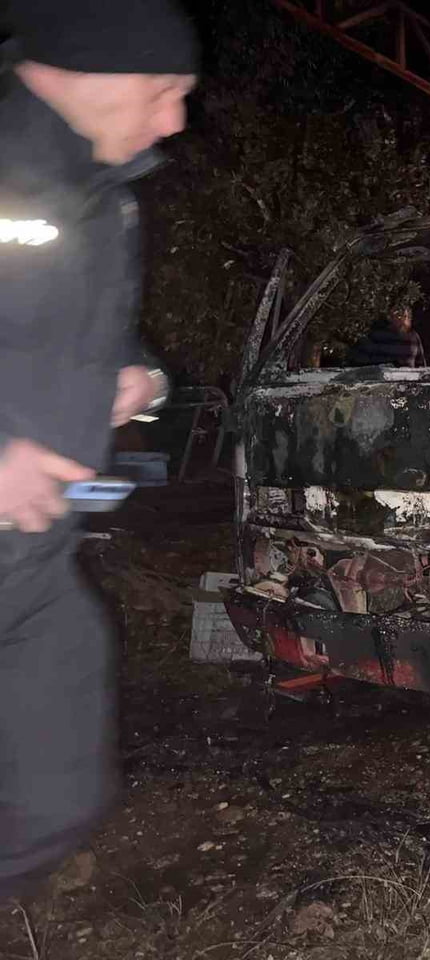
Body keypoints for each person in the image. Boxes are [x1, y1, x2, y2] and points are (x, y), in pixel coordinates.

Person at [0, 0, 197, 899]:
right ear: (78, 69)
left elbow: (94, 335)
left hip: (35, 558)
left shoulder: (106, 199)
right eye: (161, 92)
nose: (176, 119)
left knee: (61, 794)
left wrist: (141, 376)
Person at [347, 303, 425, 367]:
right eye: (398, 316)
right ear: (391, 317)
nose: (402, 320)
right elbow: (367, 358)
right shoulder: (380, 335)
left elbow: (420, 362)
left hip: (409, 380)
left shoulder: (413, 336)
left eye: (405, 316)